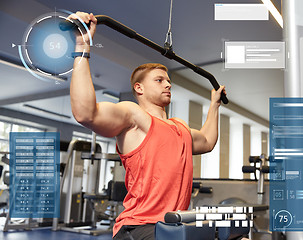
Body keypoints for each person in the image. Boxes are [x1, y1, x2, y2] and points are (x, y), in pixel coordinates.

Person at [69, 12, 226, 240]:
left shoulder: (179, 126)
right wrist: (83, 46)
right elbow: (86, 113)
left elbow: (208, 140)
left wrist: (215, 105)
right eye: (159, 80)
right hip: (139, 227)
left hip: (173, 225)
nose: (168, 84)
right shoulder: (134, 116)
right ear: (139, 88)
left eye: (168, 81)